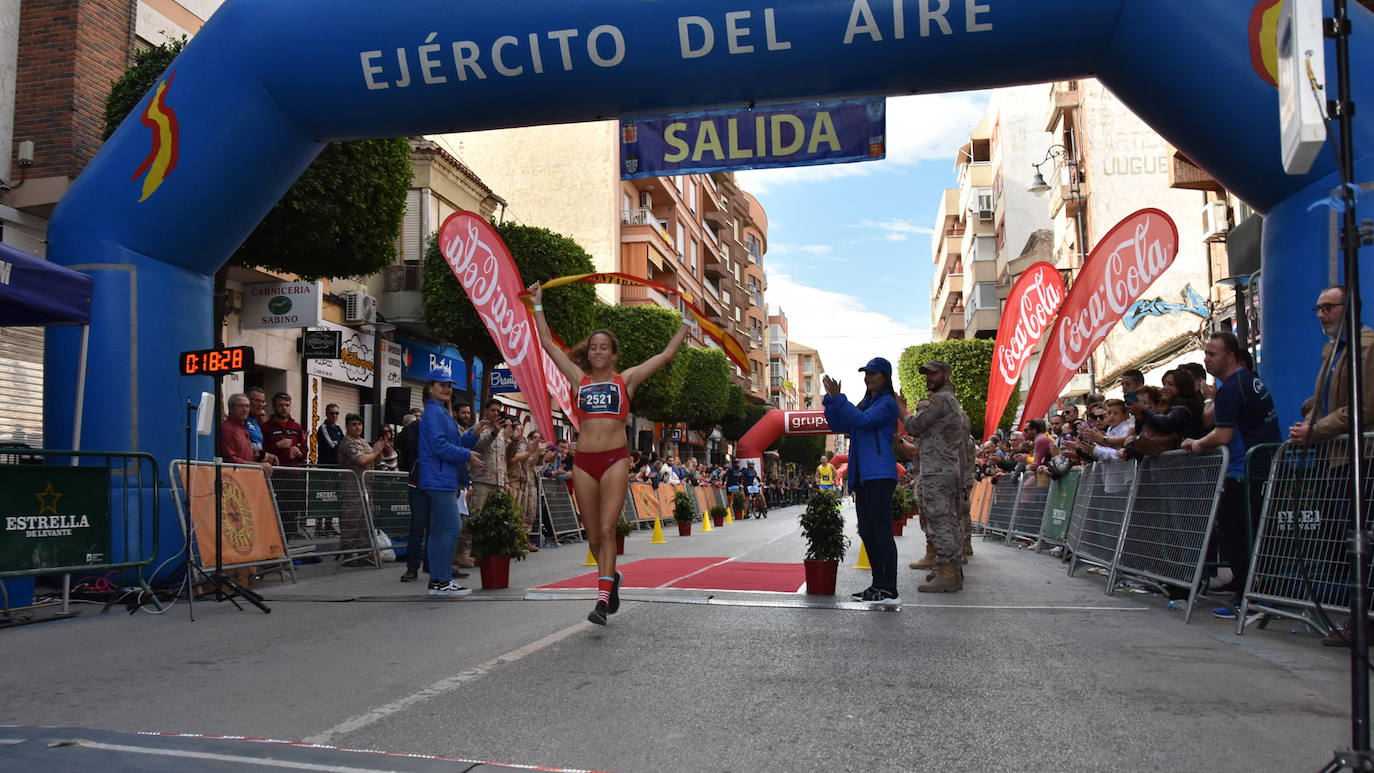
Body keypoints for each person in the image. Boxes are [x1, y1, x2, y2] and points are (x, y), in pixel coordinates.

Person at [529, 279, 688, 625]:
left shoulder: (626, 380)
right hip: (583, 462)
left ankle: (601, 601)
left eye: (604, 348)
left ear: (613, 354)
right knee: (591, 535)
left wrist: (686, 324)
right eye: (593, 348)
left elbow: (665, 355)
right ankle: (610, 578)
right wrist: (537, 303)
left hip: (615, 459)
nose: (597, 352)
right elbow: (546, 343)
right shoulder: (577, 379)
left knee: (606, 529)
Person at [1289, 286, 1374, 646]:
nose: (1322, 315)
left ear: (1349, 309)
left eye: (1329, 308)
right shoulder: (1333, 350)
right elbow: (1326, 398)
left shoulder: (1365, 347)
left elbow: (1364, 408)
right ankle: (1360, 620)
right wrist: (1309, 415)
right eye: (1318, 309)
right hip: (1337, 458)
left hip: (1361, 458)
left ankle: (1365, 622)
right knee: (1351, 543)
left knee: (1363, 542)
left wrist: (1317, 429)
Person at [1184, 332, 1281, 617]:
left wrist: (1197, 443)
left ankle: (1250, 598)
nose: (1206, 359)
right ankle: (1251, 590)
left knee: (1237, 536)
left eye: (1212, 354)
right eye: (1205, 353)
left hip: (1244, 471)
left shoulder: (1232, 387)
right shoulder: (1250, 380)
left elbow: (1223, 433)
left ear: (1231, 356)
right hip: (1259, 466)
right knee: (1251, 534)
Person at [823, 357, 900, 604]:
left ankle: (889, 588)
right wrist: (831, 400)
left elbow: (863, 421)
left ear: (885, 377)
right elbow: (838, 423)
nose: (869, 377)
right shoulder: (865, 403)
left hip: (878, 474)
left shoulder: (887, 404)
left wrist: (840, 399)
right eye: (866, 373)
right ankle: (878, 585)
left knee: (880, 531)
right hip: (864, 475)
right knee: (867, 531)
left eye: (874, 373)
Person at [898, 359, 970, 593]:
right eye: (927, 374)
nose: (929, 378)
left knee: (940, 521)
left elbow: (914, 425)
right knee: (947, 520)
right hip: (942, 469)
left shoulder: (941, 400)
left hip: (937, 471)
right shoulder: (948, 401)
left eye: (934, 374)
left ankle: (948, 572)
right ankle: (947, 568)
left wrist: (900, 407)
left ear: (946, 375)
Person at [415, 367, 483, 596]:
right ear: (430, 387)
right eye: (442, 384)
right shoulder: (434, 413)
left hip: (441, 477)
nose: (447, 388)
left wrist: (472, 434)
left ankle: (438, 581)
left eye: (449, 385)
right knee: (452, 527)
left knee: (437, 531)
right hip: (439, 478)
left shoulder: (441, 412)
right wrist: (467, 455)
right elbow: (440, 447)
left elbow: (452, 444)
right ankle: (442, 580)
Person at [337, 413, 389, 552]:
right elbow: (360, 460)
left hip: (366, 488)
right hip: (352, 489)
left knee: (366, 522)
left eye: (359, 424)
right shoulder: (348, 442)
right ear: (347, 426)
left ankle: (364, 554)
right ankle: (348, 554)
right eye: (353, 424)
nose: (357, 427)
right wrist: (376, 451)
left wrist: (381, 449)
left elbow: (374, 458)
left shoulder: (364, 442)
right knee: (351, 521)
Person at [222, 393, 273, 473]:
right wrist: (258, 466)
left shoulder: (243, 427)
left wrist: (258, 455)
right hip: (235, 476)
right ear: (231, 408)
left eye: (247, 406)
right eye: (241, 406)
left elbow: (241, 453)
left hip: (246, 474)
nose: (245, 409)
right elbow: (230, 459)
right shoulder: (227, 429)